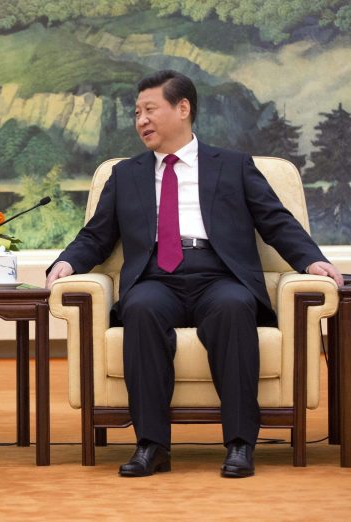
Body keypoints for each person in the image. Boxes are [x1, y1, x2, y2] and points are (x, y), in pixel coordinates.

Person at [46, 70, 343, 478]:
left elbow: (276, 222)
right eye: (137, 113)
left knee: (235, 306)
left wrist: (311, 259)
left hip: (217, 275)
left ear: (183, 108)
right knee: (141, 310)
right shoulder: (126, 175)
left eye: (150, 109)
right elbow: (96, 236)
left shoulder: (234, 166)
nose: (141, 120)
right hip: (155, 279)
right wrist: (65, 263)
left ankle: (240, 443)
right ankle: (152, 445)